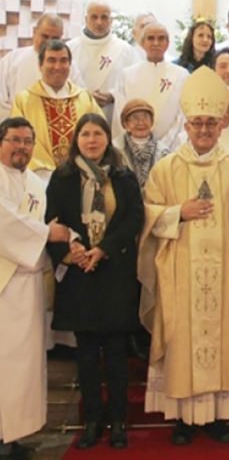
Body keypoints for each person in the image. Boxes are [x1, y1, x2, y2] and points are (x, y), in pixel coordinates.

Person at [139, 66, 229, 445]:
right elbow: (147, 213)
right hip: (180, 272)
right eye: (198, 123)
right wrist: (179, 213)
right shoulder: (166, 168)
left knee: (223, 338)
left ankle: (218, 417)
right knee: (182, 341)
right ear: (187, 125)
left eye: (211, 123)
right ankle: (183, 419)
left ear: (222, 124)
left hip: (225, 274)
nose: (205, 129)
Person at [45, 113, 144, 449]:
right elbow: (51, 220)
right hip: (78, 275)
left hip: (114, 272)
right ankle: (91, 421)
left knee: (116, 353)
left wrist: (101, 249)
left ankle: (118, 420)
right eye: (85, 134)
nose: (91, 140)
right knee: (86, 354)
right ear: (77, 139)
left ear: (107, 138)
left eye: (97, 134)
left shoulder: (124, 176)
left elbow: (133, 219)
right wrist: (71, 251)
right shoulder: (62, 178)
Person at [0, 117, 70, 460]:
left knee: (24, 366)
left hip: (28, 286)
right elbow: (5, 223)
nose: (22, 147)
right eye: (15, 140)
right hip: (2, 286)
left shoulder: (33, 183)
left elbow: (48, 224)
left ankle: (13, 436)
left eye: (28, 141)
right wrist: (46, 235)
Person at [10, 40, 103, 181]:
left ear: (70, 65)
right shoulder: (24, 100)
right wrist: (45, 172)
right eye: (51, 60)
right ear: (40, 65)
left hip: (83, 176)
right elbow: (16, 140)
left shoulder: (85, 97)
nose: (58, 66)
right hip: (38, 177)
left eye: (63, 61)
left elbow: (101, 134)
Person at [112, 23, 189, 150]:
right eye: (151, 38)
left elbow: (182, 116)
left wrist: (164, 146)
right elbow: (120, 113)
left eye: (161, 38)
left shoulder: (181, 75)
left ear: (167, 43)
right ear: (142, 43)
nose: (156, 43)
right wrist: (131, 144)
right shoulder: (126, 75)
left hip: (170, 148)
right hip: (132, 147)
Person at [0, 13, 84, 119]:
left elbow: (80, 98)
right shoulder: (12, 59)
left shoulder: (67, 66)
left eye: (55, 38)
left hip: (57, 125)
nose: (49, 42)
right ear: (34, 32)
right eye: (45, 36)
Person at [67, 1, 138, 124]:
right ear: (86, 19)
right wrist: (86, 96)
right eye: (94, 17)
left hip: (113, 117)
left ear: (110, 21)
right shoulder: (70, 48)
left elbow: (135, 83)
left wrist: (112, 95)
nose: (99, 22)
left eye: (104, 17)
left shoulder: (125, 50)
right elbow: (63, 83)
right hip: (77, 116)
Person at [114, 99, 169, 188]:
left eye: (145, 117)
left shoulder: (164, 152)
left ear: (152, 122)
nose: (141, 122)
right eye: (135, 118)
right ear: (125, 124)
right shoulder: (116, 149)